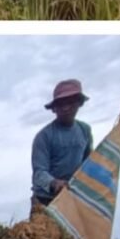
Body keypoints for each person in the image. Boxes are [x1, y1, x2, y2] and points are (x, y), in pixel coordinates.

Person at [31, 80, 93, 215]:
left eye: (70, 102)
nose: (66, 108)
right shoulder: (44, 136)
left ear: (79, 103)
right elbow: (39, 173)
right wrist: (54, 183)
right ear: (54, 108)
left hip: (72, 199)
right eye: (61, 104)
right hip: (46, 201)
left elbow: (89, 164)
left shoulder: (84, 131)